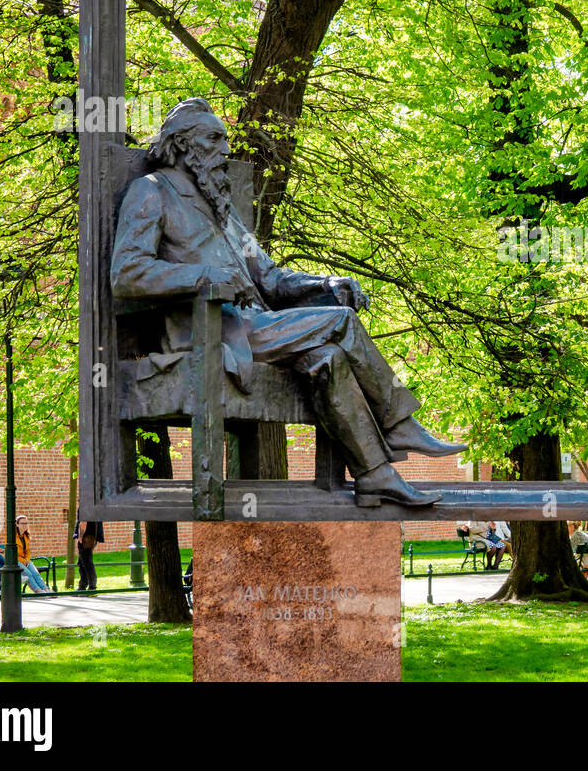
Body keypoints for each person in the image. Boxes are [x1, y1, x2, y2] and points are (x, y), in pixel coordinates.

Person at [111, 98, 466, 507]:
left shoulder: (224, 212)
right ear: (183, 143)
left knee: (330, 357)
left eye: (226, 139)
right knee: (343, 323)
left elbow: (271, 278)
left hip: (257, 327)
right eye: (215, 138)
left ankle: (375, 475)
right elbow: (127, 272)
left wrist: (326, 283)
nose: (226, 150)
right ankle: (399, 422)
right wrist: (206, 276)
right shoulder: (151, 192)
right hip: (211, 334)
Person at [14, 515, 51, 594]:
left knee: (35, 573)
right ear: (17, 524)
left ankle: (45, 589)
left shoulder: (25, 535)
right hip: (14, 560)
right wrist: (23, 560)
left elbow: (27, 551)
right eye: (22, 523)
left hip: (24, 560)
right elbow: (12, 552)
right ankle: (38, 591)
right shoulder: (12, 536)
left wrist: (27, 560)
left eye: (26, 523)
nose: (25, 525)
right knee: (28, 574)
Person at [74, 517, 105, 591]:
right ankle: (82, 586)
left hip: (86, 537)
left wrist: (80, 537)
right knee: (82, 562)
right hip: (92, 536)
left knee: (86, 562)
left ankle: (92, 587)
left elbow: (83, 522)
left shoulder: (85, 505)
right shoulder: (94, 506)